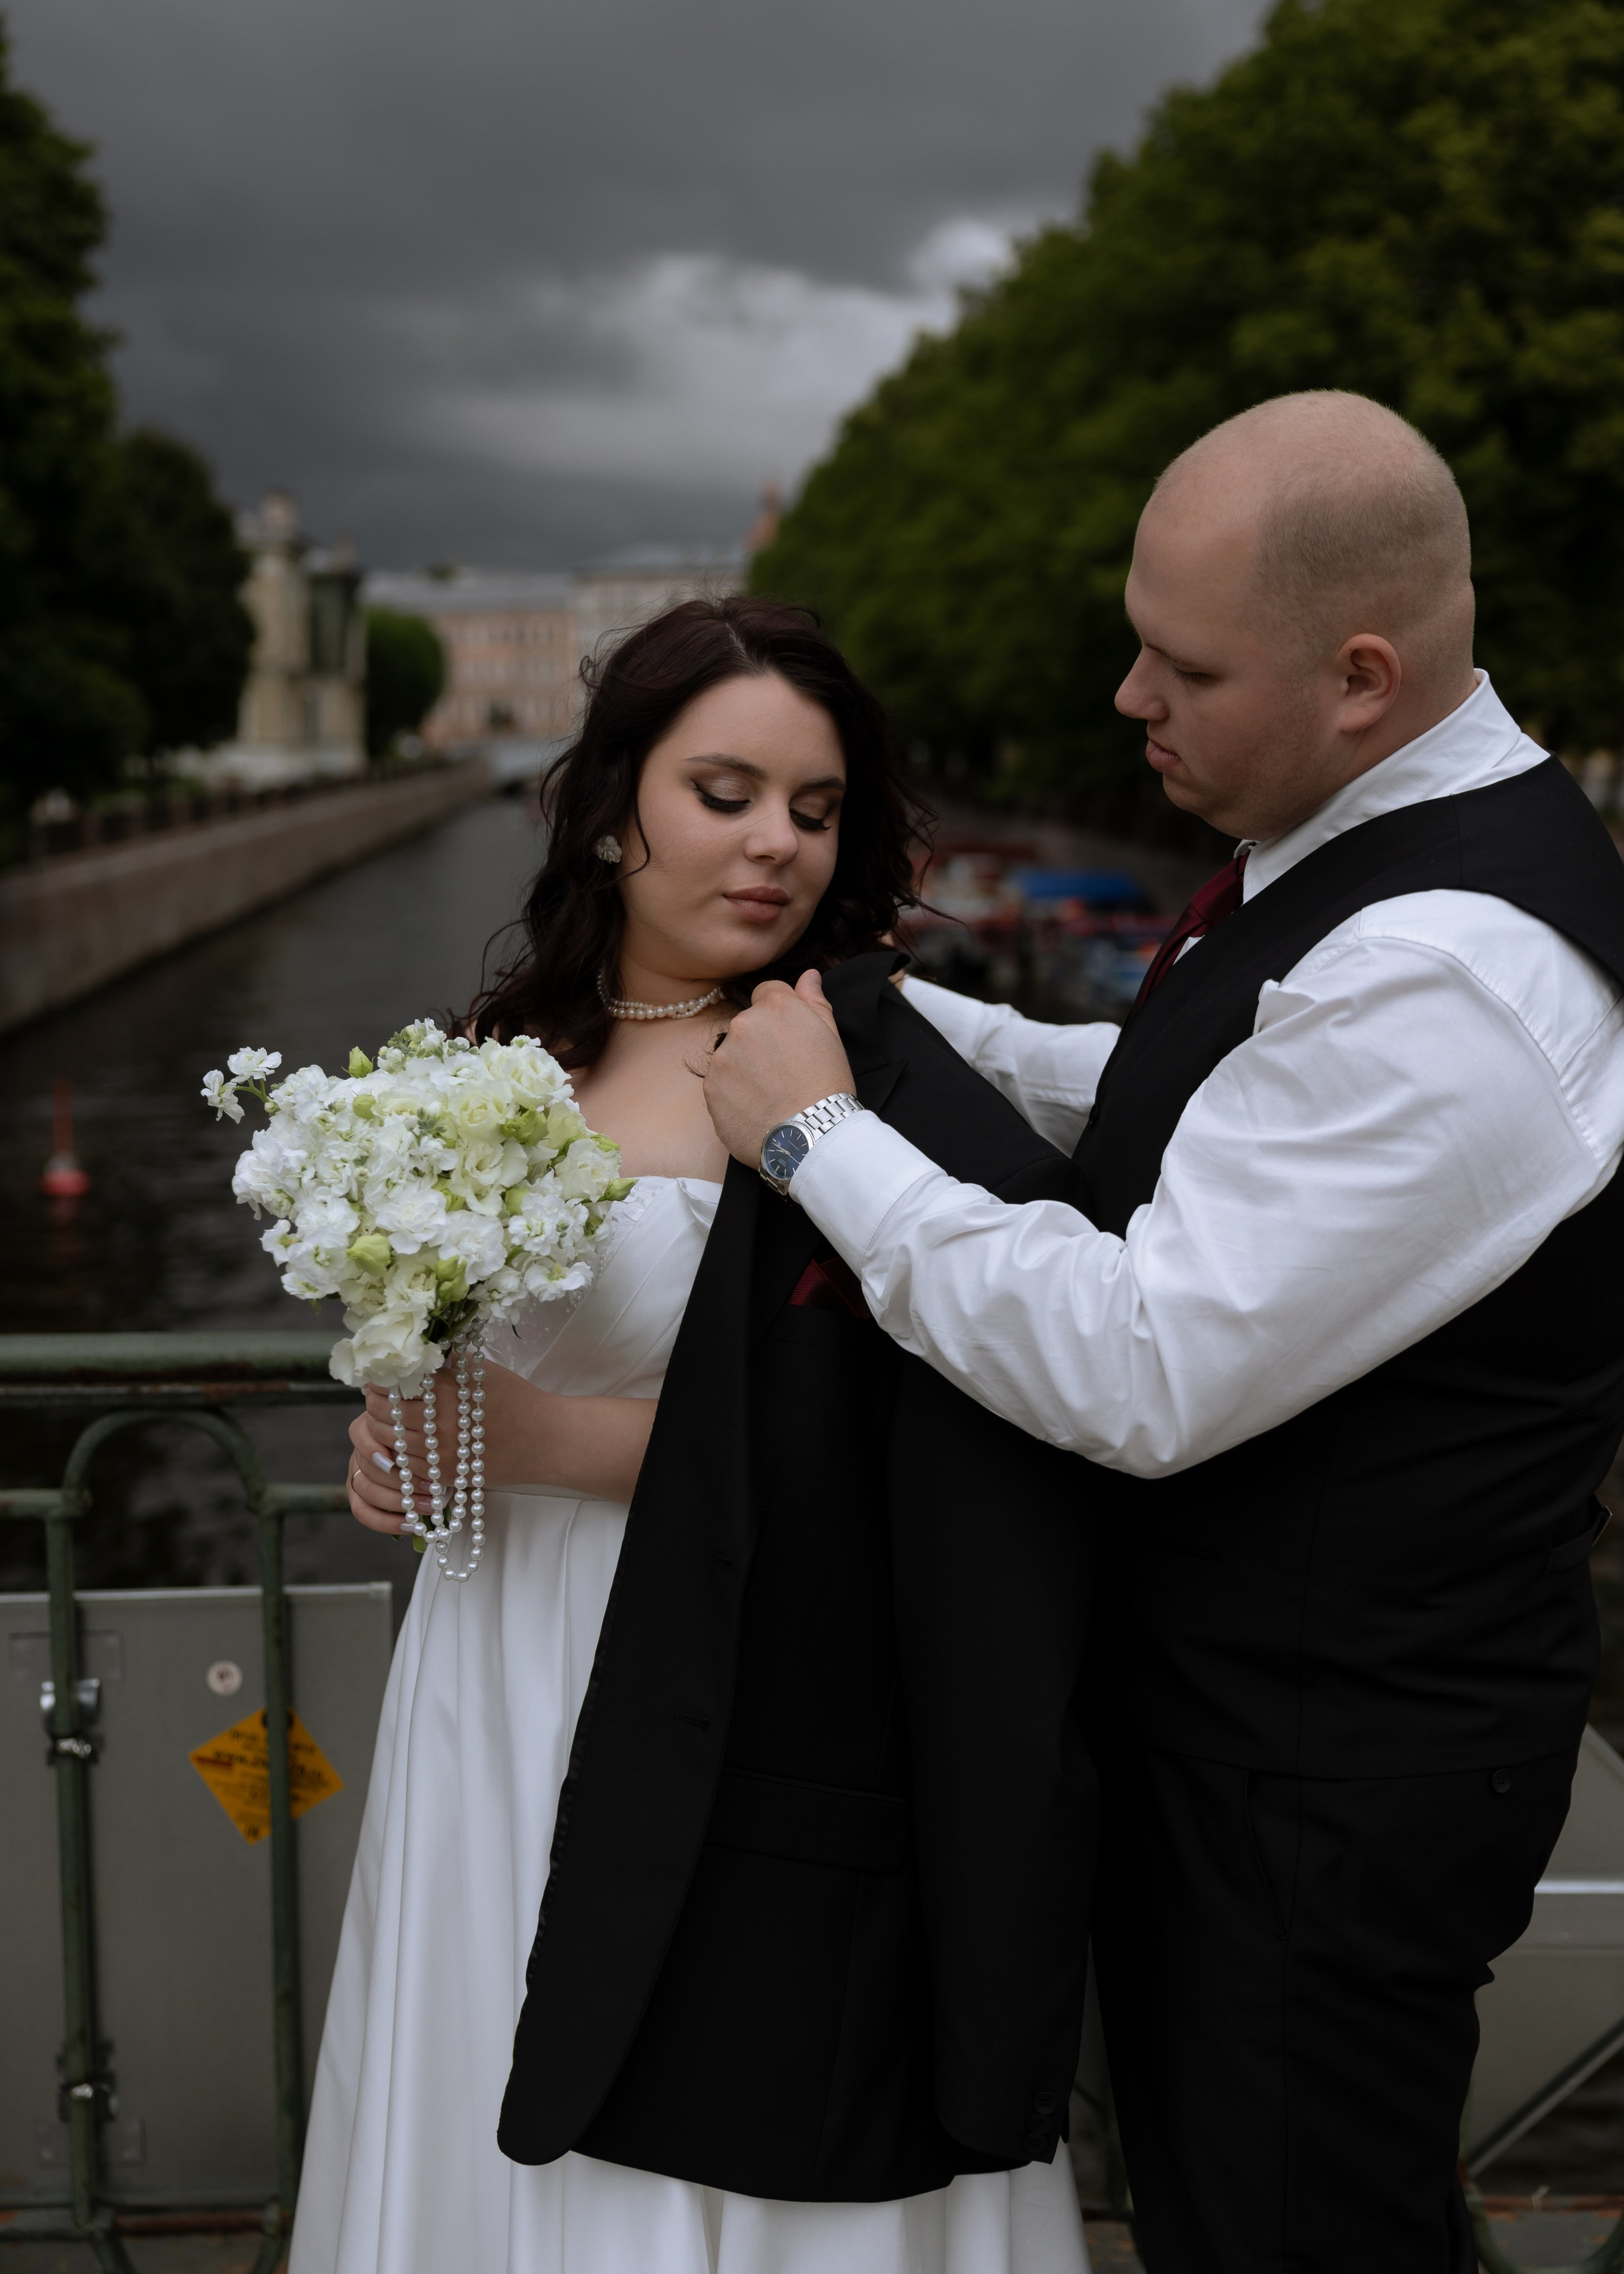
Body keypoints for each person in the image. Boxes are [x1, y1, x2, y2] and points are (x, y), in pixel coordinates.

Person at [703, 392, 1624, 2273]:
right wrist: (910, 1025)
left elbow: (1142, 1366)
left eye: (1182, 663)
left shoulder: (1455, 973)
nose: (1131, 695)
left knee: (1293, 2231)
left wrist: (816, 1142)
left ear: (1361, 675)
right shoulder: (1383, 855)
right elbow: (1194, 1093)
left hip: (1322, 1776)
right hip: (1288, 1732)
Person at [291, 597, 1094, 2274]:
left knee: (713, 2047)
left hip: (734, 1662)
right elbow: (446, 1362)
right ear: (610, 807)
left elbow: (913, 1429)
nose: (775, 846)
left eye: (813, 810)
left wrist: (534, 1437)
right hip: (501, 1648)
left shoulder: (847, 1063)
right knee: (495, 2039)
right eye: (725, 792)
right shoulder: (488, 1057)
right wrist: (404, 1430)